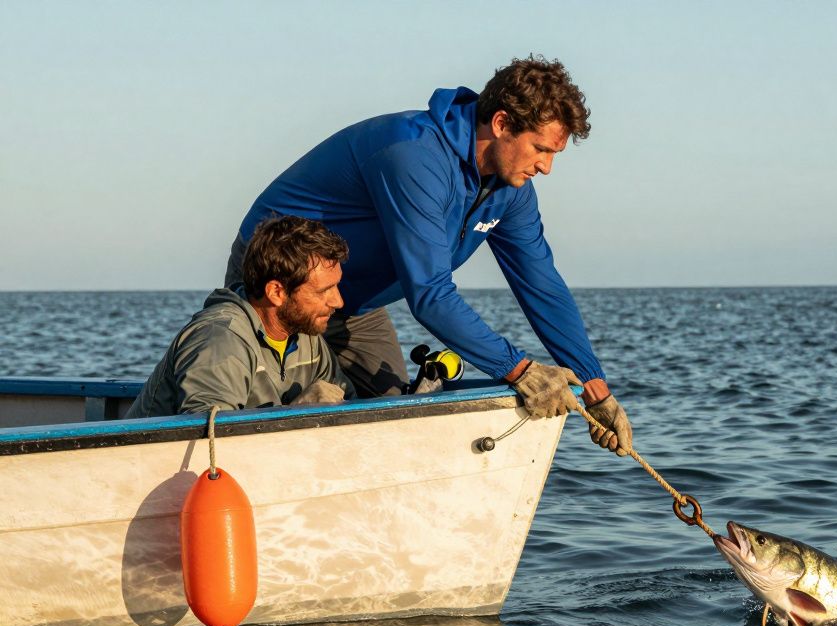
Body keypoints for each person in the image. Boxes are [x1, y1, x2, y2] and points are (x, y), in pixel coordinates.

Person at [223, 55, 632, 455]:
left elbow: (542, 286)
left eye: (555, 154)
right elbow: (431, 296)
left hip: (355, 302)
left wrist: (597, 390)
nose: (546, 167)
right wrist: (521, 371)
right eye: (540, 149)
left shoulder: (511, 192)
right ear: (502, 122)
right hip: (278, 284)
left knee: (396, 422)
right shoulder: (415, 154)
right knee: (260, 421)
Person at [127, 216, 354, 418]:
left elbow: (350, 404)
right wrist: (297, 411)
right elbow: (209, 446)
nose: (338, 301)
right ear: (276, 292)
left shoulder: (306, 334)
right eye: (324, 290)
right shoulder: (219, 339)